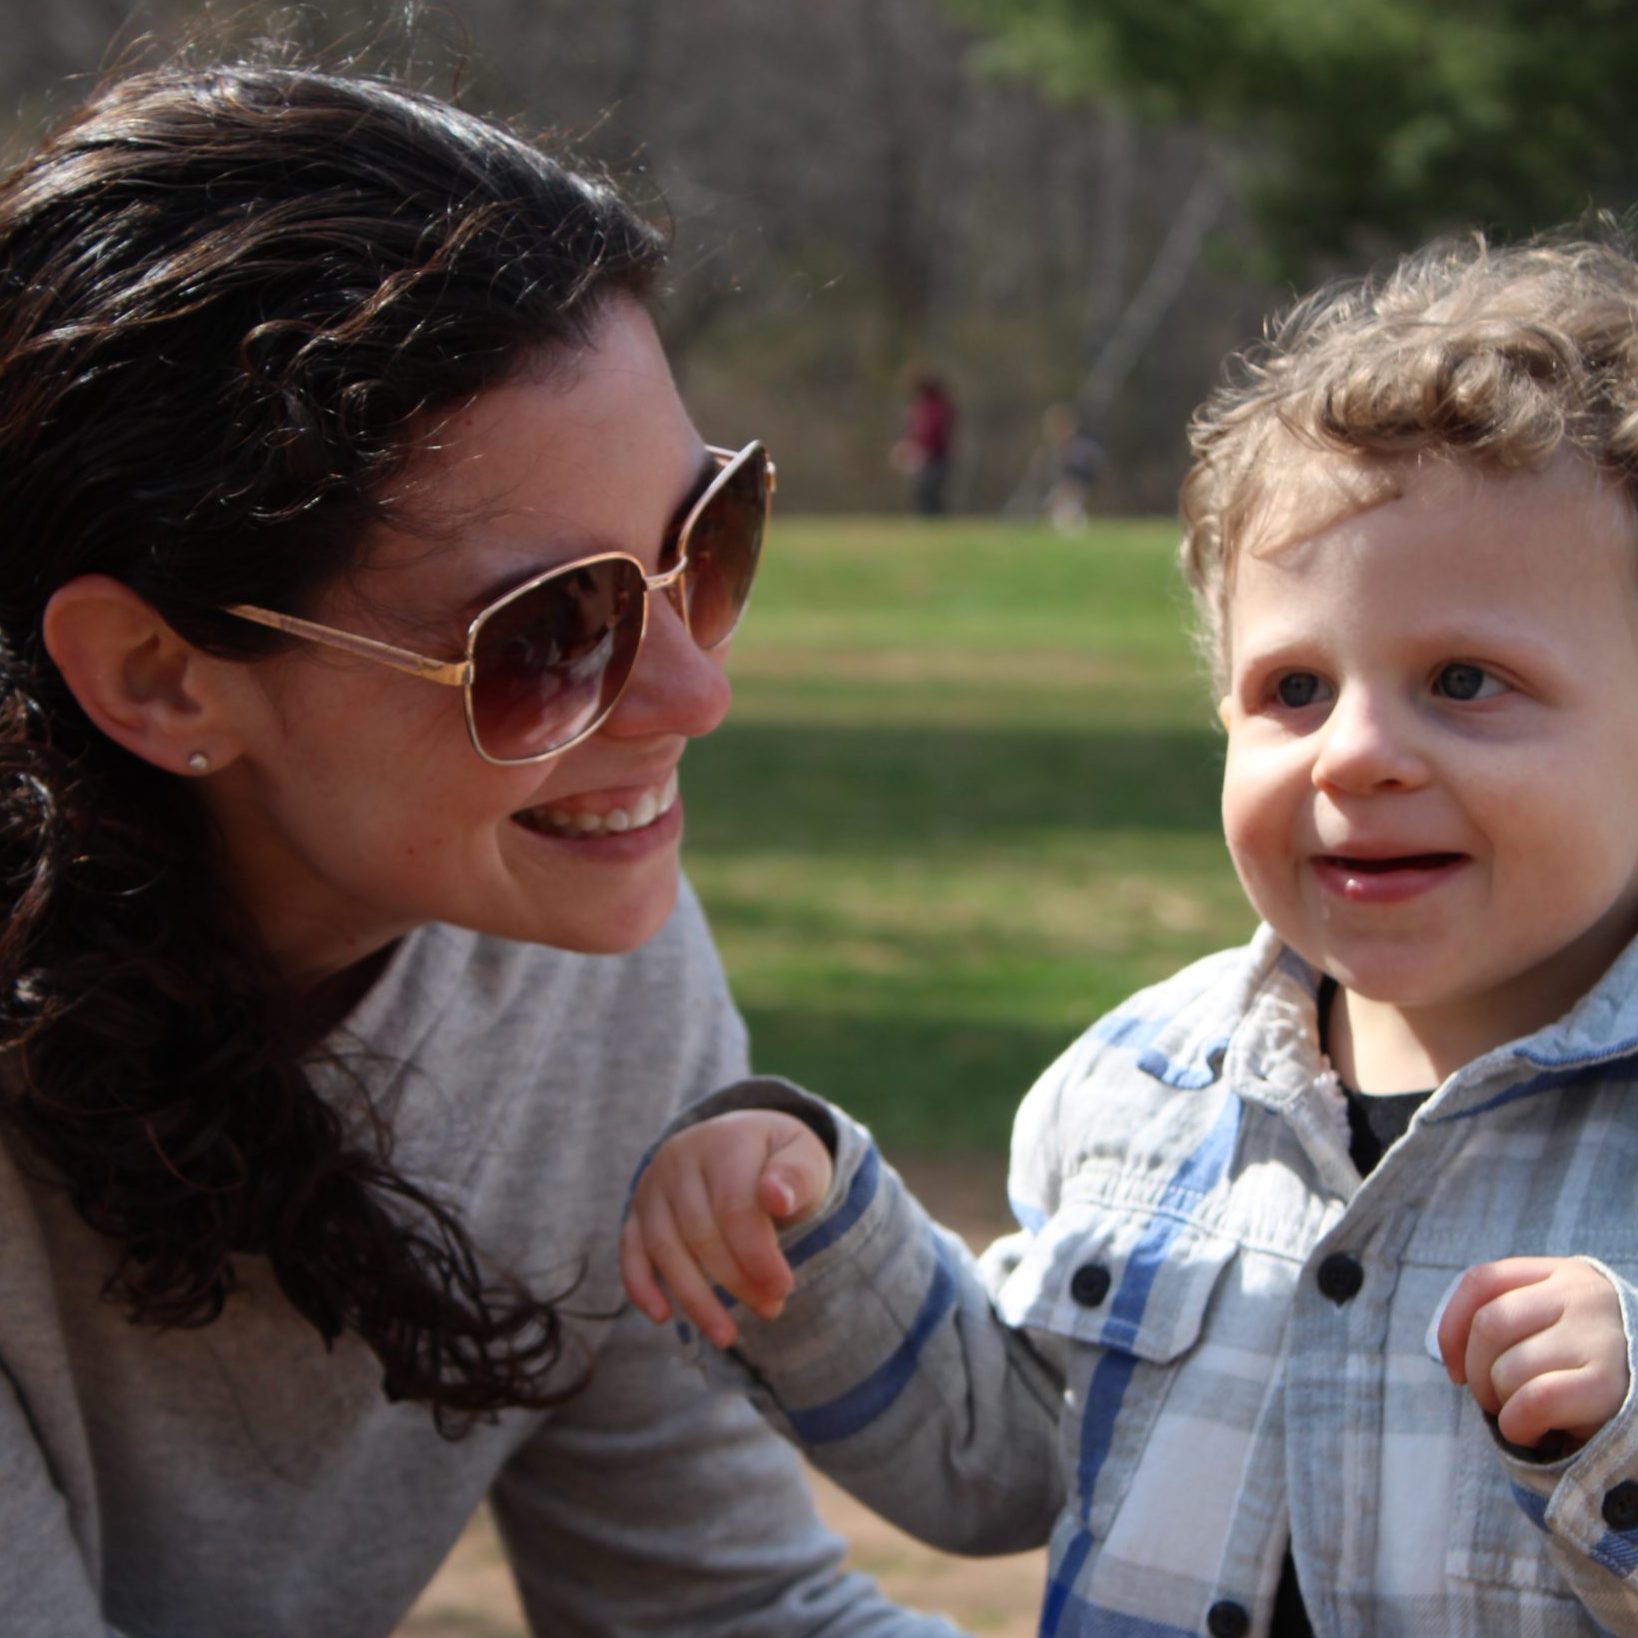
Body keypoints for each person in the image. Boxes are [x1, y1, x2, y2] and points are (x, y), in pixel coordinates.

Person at [0, 58, 967, 1638]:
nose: (698, 691)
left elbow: (716, 1610)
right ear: (159, 675)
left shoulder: (582, 958)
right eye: (552, 629)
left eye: (703, 544)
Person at [623, 231, 1638, 1635]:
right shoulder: (1144, 1082)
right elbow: (1005, 1456)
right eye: (1290, 687)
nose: (1352, 754)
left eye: (1462, 680)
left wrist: (1618, 1425)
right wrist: (817, 1234)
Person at [892, 368, 956, 516]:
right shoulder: (919, 406)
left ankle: (935, 525)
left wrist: (925, 449)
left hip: (937, 456)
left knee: (930, 492)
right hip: (922, 456)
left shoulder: (939, 406)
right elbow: (913, 431)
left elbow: (935, 432)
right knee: (921, 493)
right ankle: (925, 524)